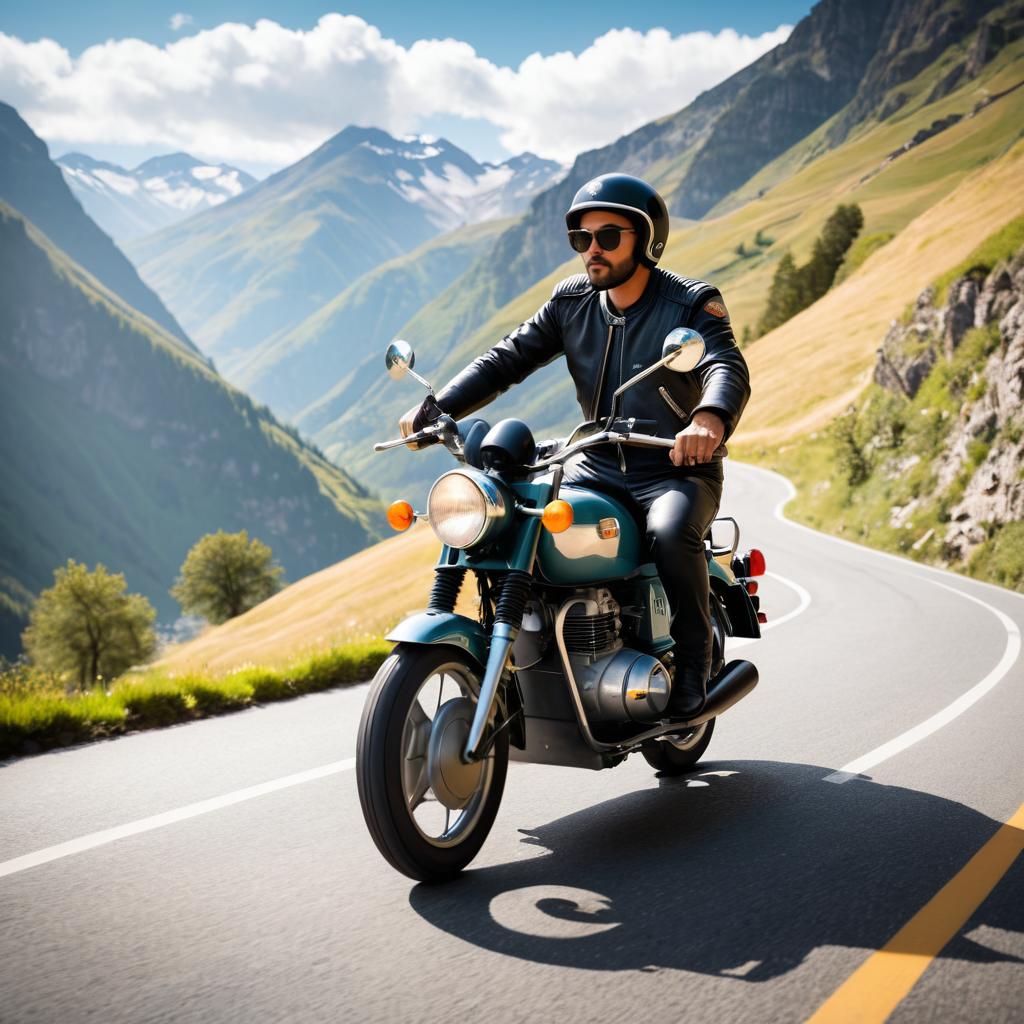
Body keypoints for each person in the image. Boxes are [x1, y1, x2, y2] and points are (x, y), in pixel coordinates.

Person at [399, 173, 750, 717]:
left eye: (607, 237)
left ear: (645, 238)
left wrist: (708, 419)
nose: (592, 250)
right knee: (516, 510)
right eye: (580, 239)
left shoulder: (688, 303)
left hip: (675, 469)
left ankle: (693, 665)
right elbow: (507, 358)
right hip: (598, 463)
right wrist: (437, 407)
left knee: (668, 531)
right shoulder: (572, 302)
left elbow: (724, 364)